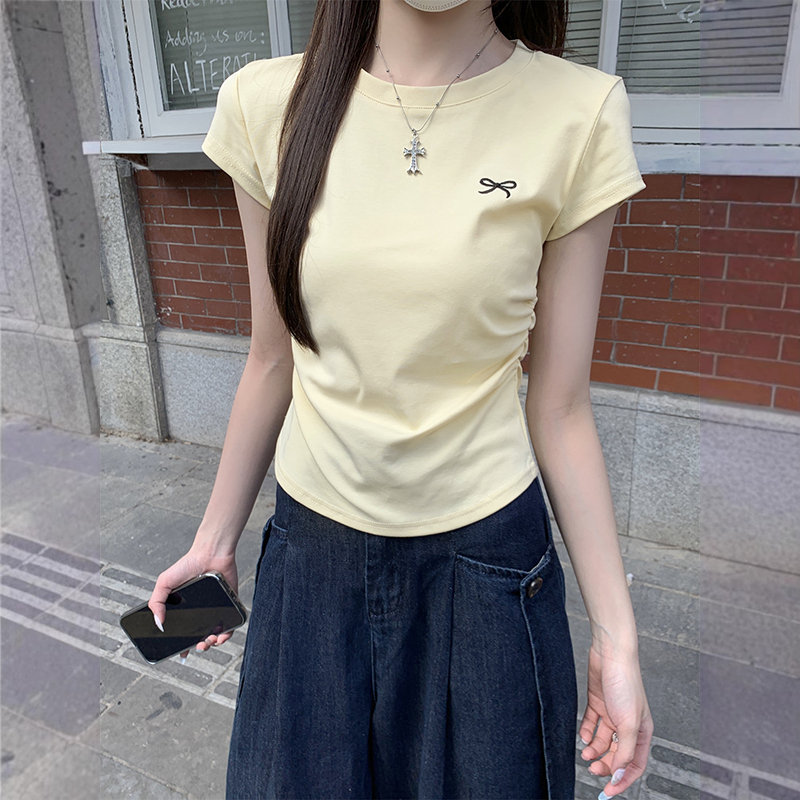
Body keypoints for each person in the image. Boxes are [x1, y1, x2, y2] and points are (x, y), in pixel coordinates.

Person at [147, 0, 655, 797]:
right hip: (311, 559)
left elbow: (559, 407)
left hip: (486, 568)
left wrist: (617, 642)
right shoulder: (263, 103)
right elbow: (272, 358)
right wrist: (215, 541)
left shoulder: (579, 110)